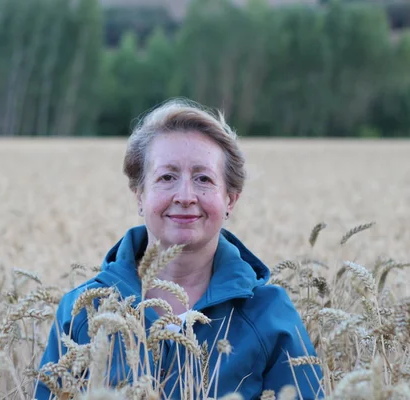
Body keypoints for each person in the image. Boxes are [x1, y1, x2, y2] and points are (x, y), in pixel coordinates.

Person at [35, 99, 323, 399]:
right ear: (139, 195)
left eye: (203, 179)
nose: (185, 196)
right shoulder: (84, 311)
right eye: (167, 177)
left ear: (230, 200)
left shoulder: (269, 315)